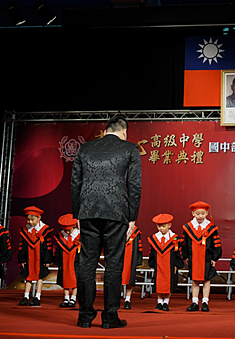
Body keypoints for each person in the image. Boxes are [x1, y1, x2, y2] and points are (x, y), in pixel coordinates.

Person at [71, 115, 142, 329]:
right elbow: (135, 185)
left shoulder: (85, 148)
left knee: (86, 264)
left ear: (106, 130)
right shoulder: (130, 149)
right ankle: (110, 317)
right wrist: (132, 217)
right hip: (117, 212)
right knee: (113, 264)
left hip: (88, 212)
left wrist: (77, 215)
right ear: (124, 131)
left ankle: (84, 316)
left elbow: (75, 183)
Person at [182, 201, 222, 312]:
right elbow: (184, 243)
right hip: (193, 258)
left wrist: (215, 258)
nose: (200, 216)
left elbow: (216, 244)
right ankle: (194, 302)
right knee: (194, 280)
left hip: (207, 258)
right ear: (193, 214)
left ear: (207, 213)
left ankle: (205, 302)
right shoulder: (188, 228)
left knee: (206, 280)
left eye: (203, 213)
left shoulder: (211, 228)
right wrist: (185, 256)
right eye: (198, 213)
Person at [17, 206, 53, 307]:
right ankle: (26, 296)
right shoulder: (24, 230)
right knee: (28, 276)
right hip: (29, 257)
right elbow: (22, 246)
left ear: (39, 218)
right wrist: (22, 259)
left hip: (40, 257)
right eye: (28, 219)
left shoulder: (45, 230)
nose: (30, 222)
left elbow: (48, 246)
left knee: (39, 276)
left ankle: (37, 297)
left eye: (32, 219)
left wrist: (47, 260)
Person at [147, 213, 184, 311]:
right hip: (159, 265)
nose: (161, 228)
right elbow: (151, 253)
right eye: (159, 226)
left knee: (169, 284)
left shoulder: (175, 239)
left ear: (169, 225)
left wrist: (177, 265)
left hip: (170, 266)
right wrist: (153, 264)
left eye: (164, 226)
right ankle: (159, 302)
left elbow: (178, 253)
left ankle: (166, 302)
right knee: (159, 284)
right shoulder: (154, 239)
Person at [54, 214, 81, 308]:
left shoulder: (80, 236)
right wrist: (57, 261)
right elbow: (57, 250)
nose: (67, 232)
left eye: (69, 230)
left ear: (74, 226)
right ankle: (66, 297)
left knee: (75, 279)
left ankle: (73, 298)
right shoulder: (60, 236)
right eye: (66, 230)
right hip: (64, 262)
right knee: (65, 279)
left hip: (76, 262)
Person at [122, 222, 143, 310]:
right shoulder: (116, 228)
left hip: (131, 258)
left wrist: (138, 261)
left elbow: (139, 247)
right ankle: (114, 298)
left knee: (129, 277)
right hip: (118, 258)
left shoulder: (136, 232)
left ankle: (127, 299)